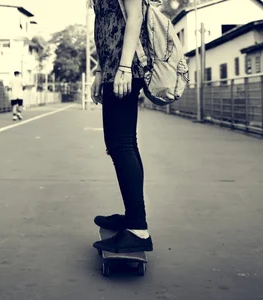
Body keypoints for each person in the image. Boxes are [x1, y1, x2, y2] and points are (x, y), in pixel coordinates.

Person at [89, 0, 153, 253]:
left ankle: (138, 228)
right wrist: (98, 70)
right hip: (113, 68)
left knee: (121, 145)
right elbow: (104, 26)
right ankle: (133, 218)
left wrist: (124, 68)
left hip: (125, 68)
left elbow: (134, 16)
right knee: (122, 145)